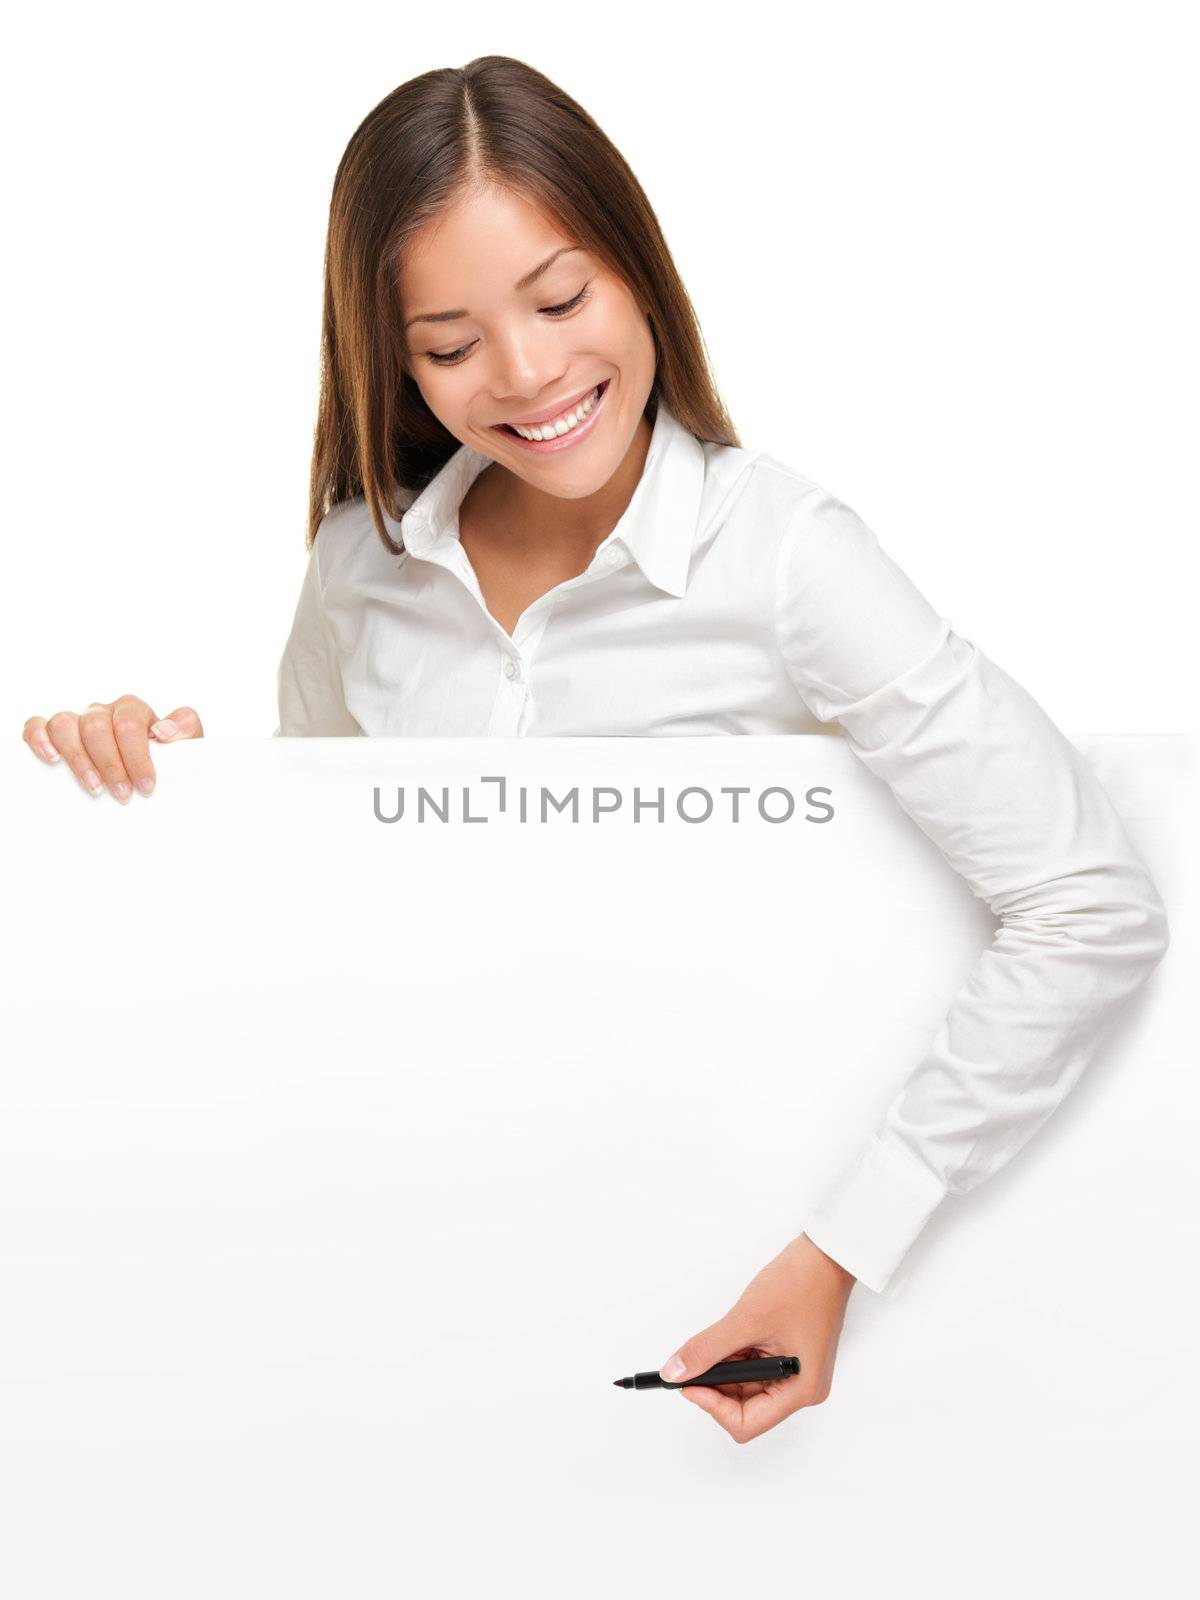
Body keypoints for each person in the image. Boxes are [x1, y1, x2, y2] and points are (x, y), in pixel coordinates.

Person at [20, 55, 1170, 1443]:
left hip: (732, 1280)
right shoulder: (357, 566)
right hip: (431, 1284)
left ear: (636, 273)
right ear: (389, 358)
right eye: (449, 344)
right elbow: (325, 923)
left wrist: (840, 1251)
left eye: (560, 301)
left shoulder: (786, 558)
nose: (528, 373)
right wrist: (174, 790)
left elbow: (1090, 901)